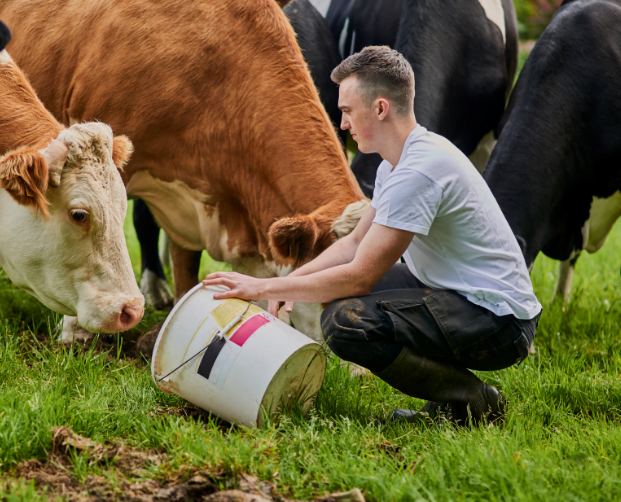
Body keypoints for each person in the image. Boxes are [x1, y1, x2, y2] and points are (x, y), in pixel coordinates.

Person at [203, 46, 541, 425]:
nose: (342, 123)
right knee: (346, 300)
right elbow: (351, 244)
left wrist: (261, 289)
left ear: (380, 109)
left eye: (347, 111)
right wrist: (287, 282)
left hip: (499, 323)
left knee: (346, 321)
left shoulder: (419, 172)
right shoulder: (398, 164)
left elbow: (360, 274)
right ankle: (449, 402)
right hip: (463, 296)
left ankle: (473, 401)